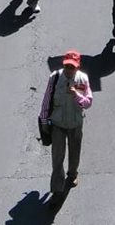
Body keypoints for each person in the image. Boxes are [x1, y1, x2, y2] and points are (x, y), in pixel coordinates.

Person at [39, 49, 93, 206]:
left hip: (75, 123)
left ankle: (72, 173)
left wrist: (76, 94)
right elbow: (47, 99)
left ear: (77, 66)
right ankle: (57, 190)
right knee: (57, 158)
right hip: (58, 124)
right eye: (67, 66)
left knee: (74, 151)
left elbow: (88, 103)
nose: (69, 70)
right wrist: (44, 122)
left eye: (72, 67)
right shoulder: (55, 78)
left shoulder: (83, 79)